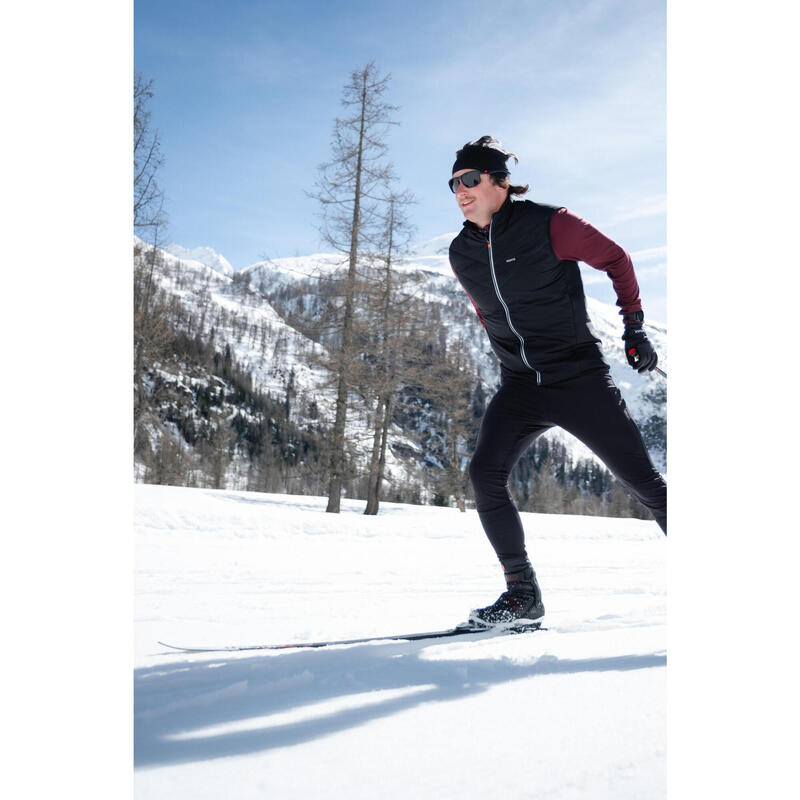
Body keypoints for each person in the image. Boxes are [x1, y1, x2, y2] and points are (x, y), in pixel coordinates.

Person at [447, 135, 667, 628]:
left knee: (647, 487)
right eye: (453, 183)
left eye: (469, 179)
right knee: (485, 474)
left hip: (578, 379)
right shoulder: (460, 252)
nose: (459, 190)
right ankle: (522, 596)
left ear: (499, 182)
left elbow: (617, 259)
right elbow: (489, 314)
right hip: (521, 385)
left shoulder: (551, 224)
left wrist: (633, 326)